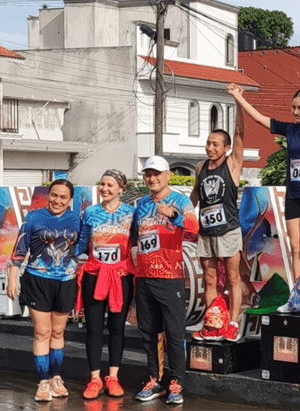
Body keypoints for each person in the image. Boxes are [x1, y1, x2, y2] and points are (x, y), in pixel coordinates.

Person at [231, 69, 300, 315]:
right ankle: (299, 296)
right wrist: (239, 98)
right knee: (295, 248)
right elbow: (261, 119)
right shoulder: (290, 130)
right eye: (293, 108)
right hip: (294, 197)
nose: (296, 112)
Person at [133, 156, 199, 404]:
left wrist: (173, 215)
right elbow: (134, 239)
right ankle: (155, 380)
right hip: (145, 277)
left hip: (170, 277)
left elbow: (194, 227)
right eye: (148, 174)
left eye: (156, 173)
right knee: (149, 333)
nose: (152, 178)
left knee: (174, 332)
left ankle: (176, 383)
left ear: (168, 175)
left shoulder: (180, 201)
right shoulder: (141, 204)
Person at [6, 179, 80, 402]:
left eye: (63, 197)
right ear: (48, 195)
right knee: (42, 333)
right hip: (38, 281)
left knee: (58, 333)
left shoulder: (77, 219)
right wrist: (12, 278)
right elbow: (19, 250)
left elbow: (85, 247)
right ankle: (43, 381)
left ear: (70, 200)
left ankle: (56, 377)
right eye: (54, 195)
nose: (58, 200)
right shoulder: (33, 218)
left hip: (66, 281)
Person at [190, 84, 245, 341]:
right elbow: (195, 196)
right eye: (208, 143)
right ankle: (213, 323)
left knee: (233, 278)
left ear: (226, 148)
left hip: (229, 230)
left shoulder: (233, 165)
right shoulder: (201, 167)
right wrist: (183, 215)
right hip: (206, 232)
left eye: (215, 144)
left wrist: (238, 100)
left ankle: (233, 322)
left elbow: (239, 132)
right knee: (210, 279)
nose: (210, 147)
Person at [75, 170, 136, 399]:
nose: (105, 188)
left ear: (121, 188)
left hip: (121, 275)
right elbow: (82, 242)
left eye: (111, 185)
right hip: (94, 273)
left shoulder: (131, 213)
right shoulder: (90, 212)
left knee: (117, 328)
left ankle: (113, 378)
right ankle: (94, 379)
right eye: (102, 184)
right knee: (93, 327)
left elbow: (137, 240)